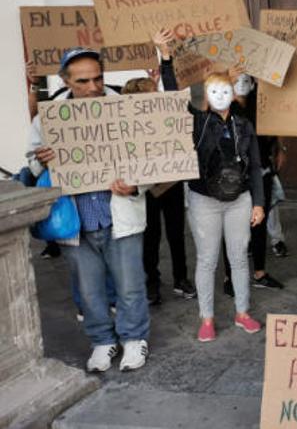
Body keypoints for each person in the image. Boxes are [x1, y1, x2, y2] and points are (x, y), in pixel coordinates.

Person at [27, 48, 150, 372]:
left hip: (118, 215)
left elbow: (152, 158)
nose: (93, 86)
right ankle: (102, 342)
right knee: (90, 290)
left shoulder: (127, 109)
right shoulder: (48, 118)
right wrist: (40, 161)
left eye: (98, 78)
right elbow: (31, 165)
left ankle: (134, 339)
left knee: (130, 285)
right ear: (67, 81)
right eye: (83, 81)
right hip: (77, 220)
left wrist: (136, 186)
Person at [186, 72, 265, 342]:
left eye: (225, 90)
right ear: (205, 95)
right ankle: (206, 318)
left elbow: (254, 166)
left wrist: (259, 203)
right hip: (204, 200)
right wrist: (165, 62)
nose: (220, 96)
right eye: (214, 91)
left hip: (239, 200)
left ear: (233, 94)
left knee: (239, 257)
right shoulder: (196, 123)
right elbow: (172, 105)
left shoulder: (243, 124)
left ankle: (242, 312)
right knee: (207, 260)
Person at [122, 66, 196, 306]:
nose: (156, 97)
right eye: (151, 93)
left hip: (170, 185)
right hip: (145, 189)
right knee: (150, 237)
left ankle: (180, 278)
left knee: (176, 234)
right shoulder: (126, 127)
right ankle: (151, 282)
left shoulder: (166, 118)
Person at [219, 73, 285, 293]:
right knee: (232, 227)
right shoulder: (222, 104)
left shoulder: (261, 100)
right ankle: (229, 277)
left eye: (246, 79)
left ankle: (259, 272)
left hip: (260, 170)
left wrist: (279, 147)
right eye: (237, 79)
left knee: (259, 222)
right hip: (233, 176)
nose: (242, 83)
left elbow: (273, 123)